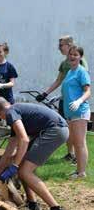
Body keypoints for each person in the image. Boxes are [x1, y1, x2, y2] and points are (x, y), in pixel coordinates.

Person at [0, 97, 69, 210]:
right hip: (55, 129)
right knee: (22, 167)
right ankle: (32, 204)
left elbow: (24, 140)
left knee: (25, 171)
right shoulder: (15, 112)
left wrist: (14, 165)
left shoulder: (10, 113)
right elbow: (9, 151)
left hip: (55, 130)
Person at [36, 35, 88, 163]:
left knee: (78, 136)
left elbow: (82, 83)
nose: (59, 48)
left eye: (61, 45)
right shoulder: (65, 64)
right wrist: (45, 93)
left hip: (76, 104)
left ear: (69, 44)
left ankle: (78, 159)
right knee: (67, 129)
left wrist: (78, 100)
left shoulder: (80, 64)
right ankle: (71, 153)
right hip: (65, 102)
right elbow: (59, 80)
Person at [61, 45, 91, 179]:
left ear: (80, 57)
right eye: (70, 54)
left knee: (80, 143)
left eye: (75, 55)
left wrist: (79, 101)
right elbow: (69, 90)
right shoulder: (69, 72)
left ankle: (82, 172)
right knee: (74, 142)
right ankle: (78, 170)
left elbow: (87, 92)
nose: (72, 57)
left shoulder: (81, 71)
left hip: (80, 111)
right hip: (70, 112)